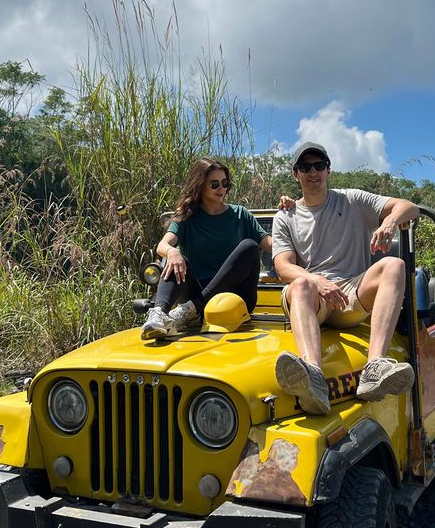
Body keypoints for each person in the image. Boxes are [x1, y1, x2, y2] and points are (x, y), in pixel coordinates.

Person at [272, 142, 420, 414]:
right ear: (296, 174)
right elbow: (283, 266)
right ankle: (313, 374)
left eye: (319, 166)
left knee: (394, 265)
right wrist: (317, 281)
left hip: (351, 294)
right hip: (311, 299)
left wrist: (388, 223)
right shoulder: (286, 215)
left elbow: (409, 207)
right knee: (302, 282)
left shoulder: (351, 199)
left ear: (328, 170)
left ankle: (374, 366)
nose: (312, 172)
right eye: (305, 167)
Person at [141, 157, 272, 338]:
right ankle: (159, 314)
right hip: (194, 303)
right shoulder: (187, 216)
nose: (222, 189)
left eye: (225, 183)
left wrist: (291, 213)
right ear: (200, 185)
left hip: (234, 302)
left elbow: (272, 246)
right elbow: (162, 245)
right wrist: (172, 252)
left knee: (249, 247)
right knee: (173, 258)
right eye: (215, 184)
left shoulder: (240, 214)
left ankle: (192, 308)